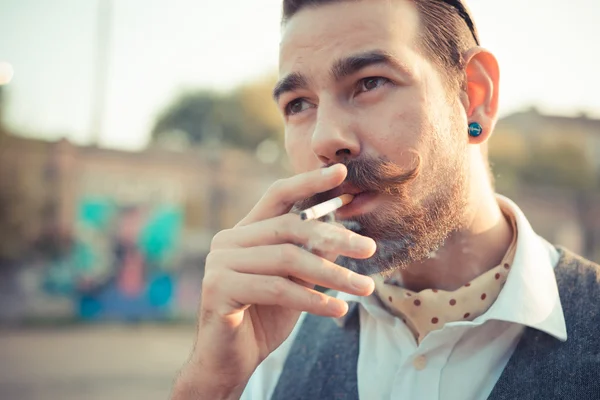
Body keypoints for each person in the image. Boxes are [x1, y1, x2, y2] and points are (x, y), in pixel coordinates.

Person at [171, 1, 600, 399]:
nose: (325, 138)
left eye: (369, 83)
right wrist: (215, 384)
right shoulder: (269, 345)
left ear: (475, 97)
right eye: (299, 104)